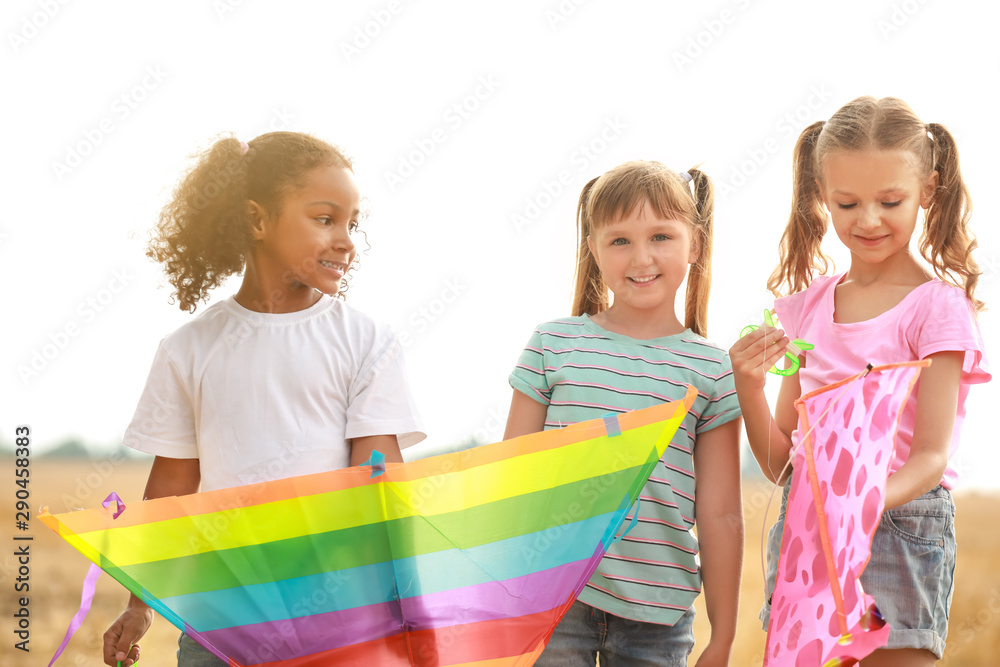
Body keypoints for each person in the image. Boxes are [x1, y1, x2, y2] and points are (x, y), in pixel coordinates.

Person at [101, 131, 425, 667]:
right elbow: (172, 489)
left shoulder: (366, 340)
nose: (346, 239)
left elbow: (379, 477)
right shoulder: (188, 348)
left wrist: (408, 604)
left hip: (335, 619)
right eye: (325, 219)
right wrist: (141, 604)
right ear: (257, 221)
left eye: (352, 223)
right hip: (219, 623)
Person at [729, 96, 990, 665]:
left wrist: (860, 503)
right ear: (822, 196)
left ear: (929, 190)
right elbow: (782, 463)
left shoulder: (937, 310)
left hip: (899, 526)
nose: (868, 219)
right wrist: (747, 387)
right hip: (808, 526)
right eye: (847, 202)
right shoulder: (803, 312)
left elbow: (929, 458)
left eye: (890, 201)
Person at [504, 161, 743, 666]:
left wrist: (722, 636)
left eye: (660, 236)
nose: (641, 258)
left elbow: (720, 514)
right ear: (593, 248)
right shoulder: (553, 345)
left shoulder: (713, 369)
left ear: (694, 244)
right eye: (619, 241)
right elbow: (512, 479)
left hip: (659, 615)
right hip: (553, 603)